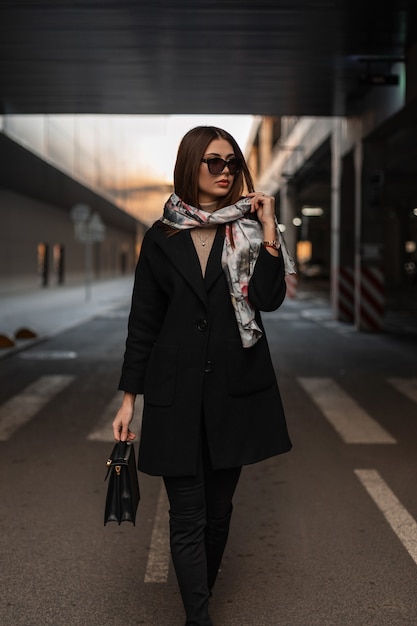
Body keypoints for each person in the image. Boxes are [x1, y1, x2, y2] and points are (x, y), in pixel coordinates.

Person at [112, 126, 293, 626]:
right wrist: (129, 399)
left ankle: (200, 596)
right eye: (213, 161)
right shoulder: (160, 237)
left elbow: (269, 300)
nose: (226, 171)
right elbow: (143, 322)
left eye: (232, 162)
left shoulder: (252, 233)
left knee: (217, 515)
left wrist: (271, 228)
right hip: (176, 394)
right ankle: (199, 617)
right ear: (190, 165)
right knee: (187, 516)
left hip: (234, 390)